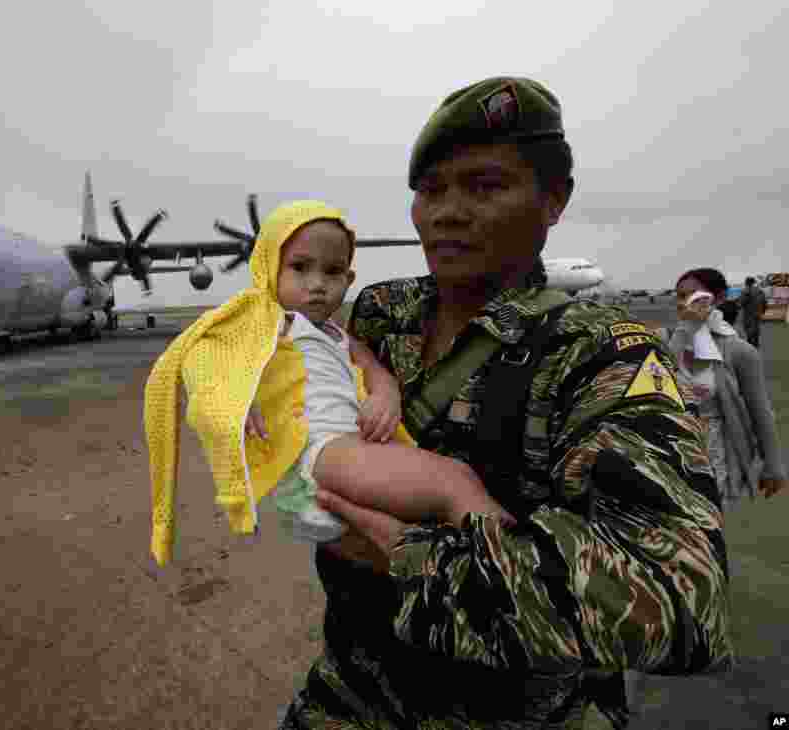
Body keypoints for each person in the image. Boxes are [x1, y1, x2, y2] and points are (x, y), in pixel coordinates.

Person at [280, 77, 733, 730]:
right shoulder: (381, 313)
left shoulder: (604, 356)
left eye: (485, 186)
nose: (446, 212)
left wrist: (405, 553)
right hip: (351, 689)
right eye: (430, 190)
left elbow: (682, 602)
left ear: (554, 200)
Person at [143, 200, 511, 567]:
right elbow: (198, 353)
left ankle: (478, 568)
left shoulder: (338, 334)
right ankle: (513, 567)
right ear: (271, 267)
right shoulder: (269, 323)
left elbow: (373, 370)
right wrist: (232, 399)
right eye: (300, 268)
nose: (317, 285)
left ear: (349, 280)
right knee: (453, 481)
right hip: (321, 452)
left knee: (425, 519)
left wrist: (386, 395)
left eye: (333, 272)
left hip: (348, 453)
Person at [657, 268, 787, 510]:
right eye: (680, 296)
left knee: (705, 536)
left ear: (718, 298)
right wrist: (685, 331)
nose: (684, 302)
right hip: (665, 452)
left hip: (713, 456)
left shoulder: (739, 351)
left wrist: (773, 466)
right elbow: (658, 382)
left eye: (693, 295)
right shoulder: (664, 340)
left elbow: (761, 412)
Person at [739, 276, 767, 348]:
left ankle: (750, 345)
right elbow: (764, 302)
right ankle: (756, 344)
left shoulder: (746, 291)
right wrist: (763, 311)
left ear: (746, 283)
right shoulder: (760, 291)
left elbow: (742, 302)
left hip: (748, 313)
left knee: (749, 329)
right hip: (758, 313)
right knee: (756, 328)